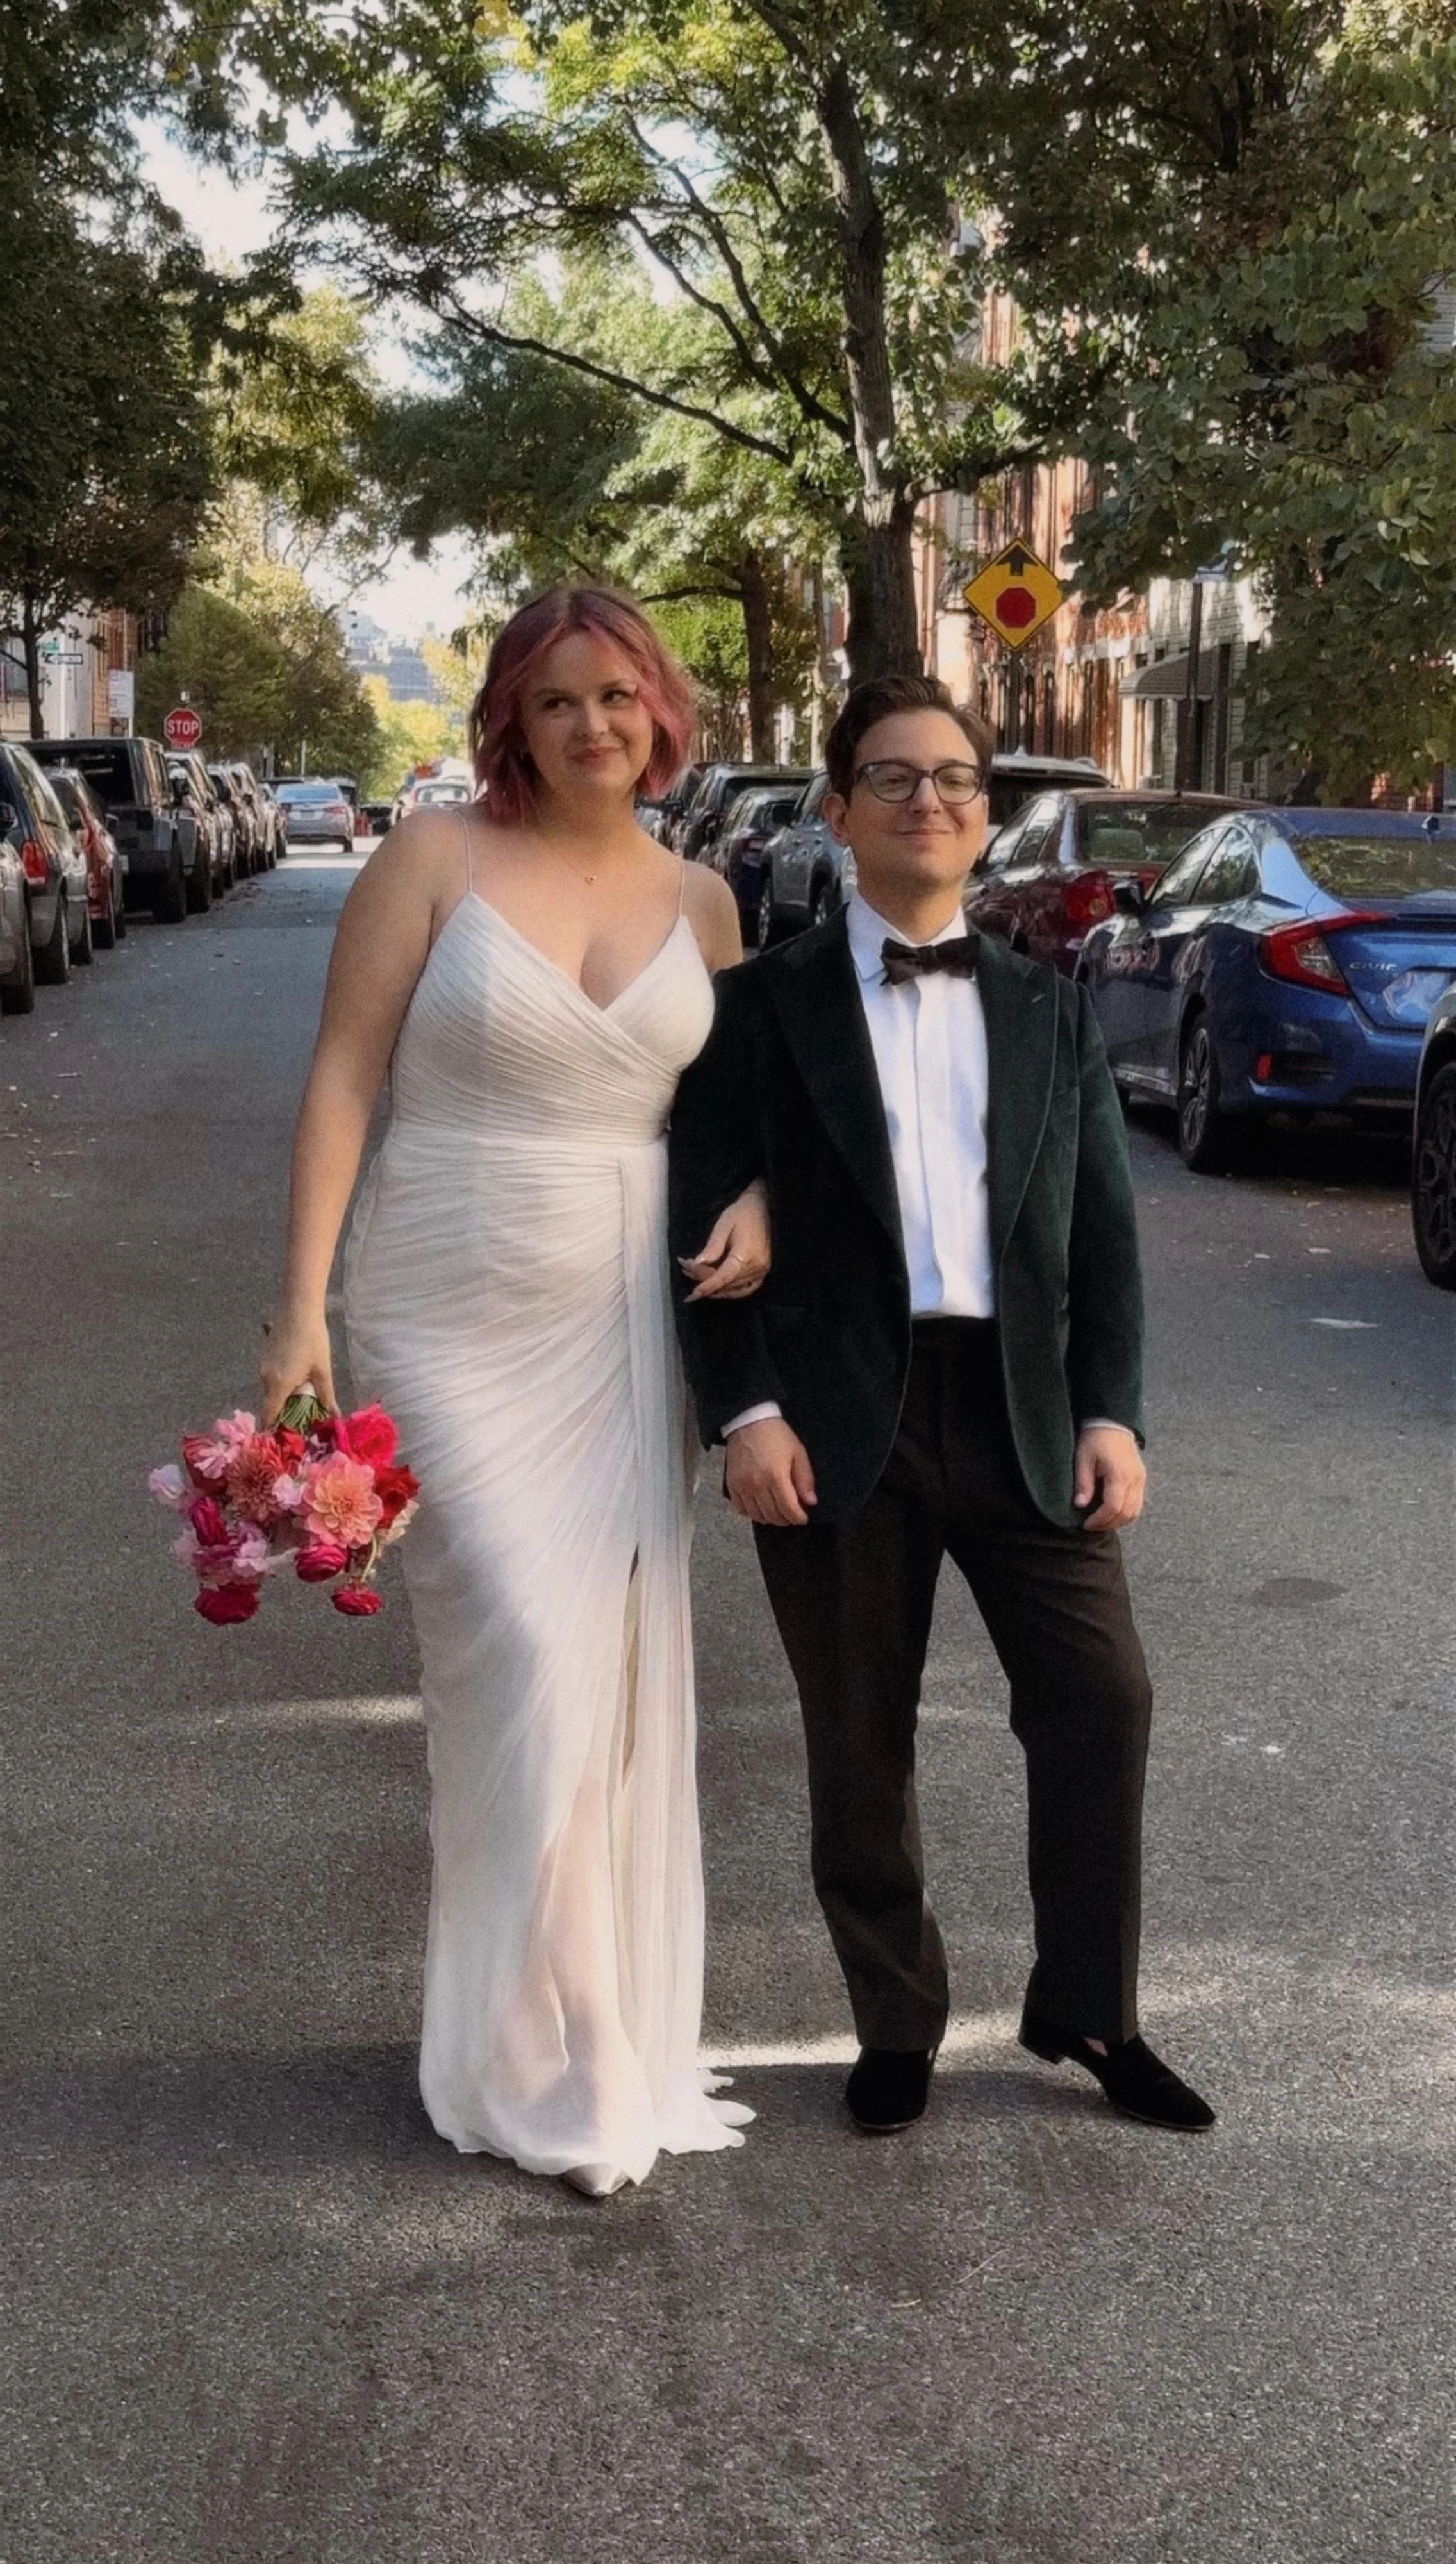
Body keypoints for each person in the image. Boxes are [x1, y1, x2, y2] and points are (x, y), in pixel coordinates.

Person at [261, 585, 766, 2196]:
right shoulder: (433, 861)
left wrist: (755, 1203)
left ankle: (565, 2018)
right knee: (527, 1653)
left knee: (602, 1666)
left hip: (624, 1316)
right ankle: (580, 2047)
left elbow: (734, 1116)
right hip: (443, 1296)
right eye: (558, 702)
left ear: (660, 712)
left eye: (617, 696)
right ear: (512, 720)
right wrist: (300, 1312)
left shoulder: (707, 898)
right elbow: (345, 1071)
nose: (592, 725)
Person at [669, 672, 1214, 2137]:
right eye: (895, 778)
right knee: (860, 1734)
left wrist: (1114, 1410)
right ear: (837, 810)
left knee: (1099, 1700)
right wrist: (746, 1413)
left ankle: (1089, 2010)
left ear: (986, 815)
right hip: (838, 1412)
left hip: (1019, 1405)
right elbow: (697, 1229)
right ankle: (894, 2015)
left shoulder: (1048, 1001)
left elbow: (1102, 1226)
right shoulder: (754, 1008)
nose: (932, 801)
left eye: (957, 780)